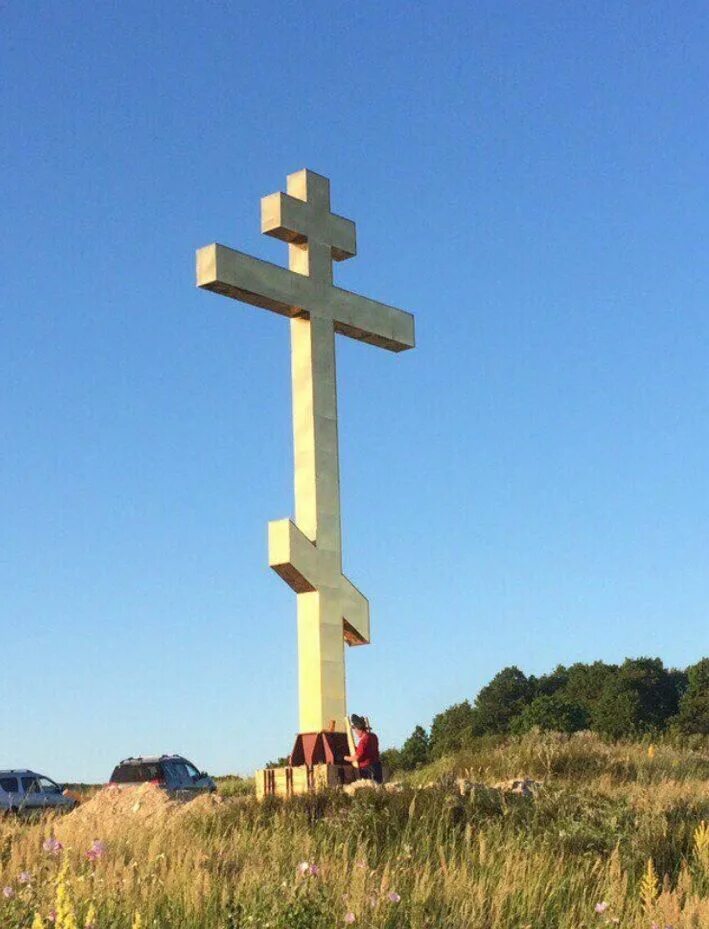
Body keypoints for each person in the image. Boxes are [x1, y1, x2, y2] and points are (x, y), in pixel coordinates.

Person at [345, 714, 383, 784]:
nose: (355, 732)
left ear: (359, 729)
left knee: (369, 790)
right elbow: (368, 751)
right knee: (378, 789)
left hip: (368, 770)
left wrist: (345, 758)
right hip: (377, 767)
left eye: (355, 730)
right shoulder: (373, 736)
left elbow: (356, 757)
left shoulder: (363, 741)